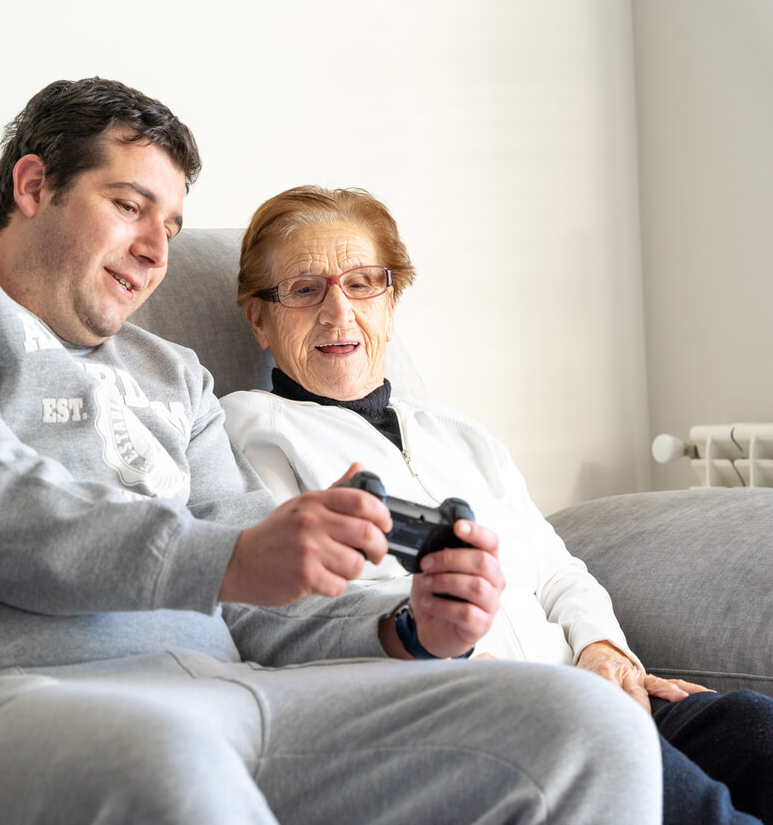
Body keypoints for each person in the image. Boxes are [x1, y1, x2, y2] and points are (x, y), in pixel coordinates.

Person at [0, 78, 664, 824]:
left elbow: (258, 607)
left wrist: (403, 628)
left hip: (225, 700)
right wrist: (231, 553)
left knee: (581, 723)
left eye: (174, 227)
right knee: (162, 755)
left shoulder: (175, 375)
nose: (157, 252)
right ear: (33, 186)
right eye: (129, 207)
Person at [220, 184, 773, 825]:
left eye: (363, 283)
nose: (338, 311)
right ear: (259, 320)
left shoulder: (458, 432)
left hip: (584, 690)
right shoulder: (251, 430)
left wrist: (603, 650)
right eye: (304, 289)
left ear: (391, 302)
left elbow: (559, 570)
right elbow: (293, 611)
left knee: (755, 729)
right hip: (486, 724)